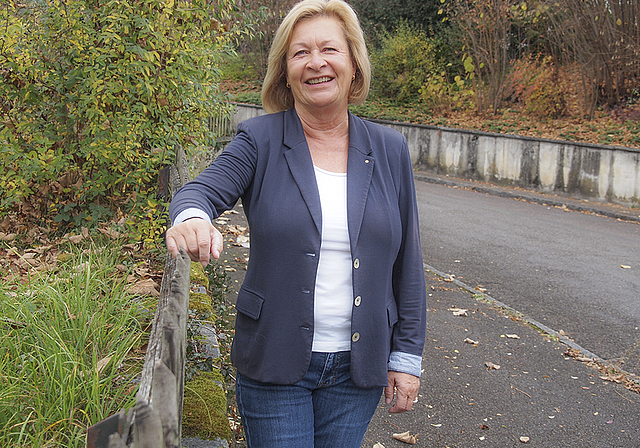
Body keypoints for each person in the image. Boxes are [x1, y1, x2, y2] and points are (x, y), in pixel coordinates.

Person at [166, 0, 427, 446]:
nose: (316, 62)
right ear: (285, 71)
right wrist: (192, 219)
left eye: (330, 49)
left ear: (354, 64)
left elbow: (408, 263)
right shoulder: (261, 139)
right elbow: (200, 191)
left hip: (358, 368)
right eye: (300, 53)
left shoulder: (389, 149)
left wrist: (406, 356)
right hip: (276, 360)